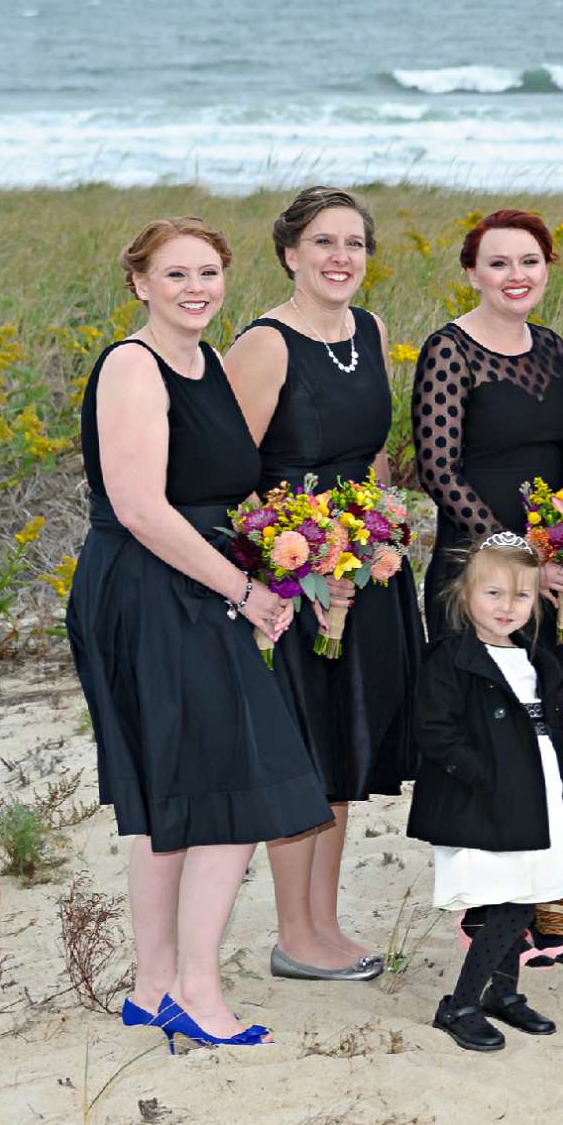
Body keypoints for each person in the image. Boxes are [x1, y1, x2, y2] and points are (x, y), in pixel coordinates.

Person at [66, 217, 329, 1050]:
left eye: (209, 272)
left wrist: (287, 561)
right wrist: (246, 589)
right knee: (234, 788)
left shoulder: (209, 362)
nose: (195, 287)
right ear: (139, 282)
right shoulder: (131, 367)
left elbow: (219, 488)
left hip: (203, 584)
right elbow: (142, 508)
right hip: (150, 590)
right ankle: (197, 987)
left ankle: (153, 987)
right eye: (175, 273)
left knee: (177, 791)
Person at [225, 185, 418, 984]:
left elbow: (369, 455)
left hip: (359, 567)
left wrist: (380, 523)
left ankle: (325, 923)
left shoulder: (369, 330)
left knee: (343, 744)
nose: (342, 257)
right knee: (301, 747)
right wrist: (288, 565)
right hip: (290, 576)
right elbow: (227, 474)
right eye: (325, 243)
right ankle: (293, 932)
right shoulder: (265, 344)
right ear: (291, 253)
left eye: (355, 244)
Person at [408, 534, 563, 1051]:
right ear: (465, 595)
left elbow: (553, 726)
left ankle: (500, 994)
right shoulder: (451, 658)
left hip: (538, 794)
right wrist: (483, 776)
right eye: (494, 594)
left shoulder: (535, 659)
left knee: (526, 895)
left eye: (522, 597)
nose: (507, 608)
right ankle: (459, 1003)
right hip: (484, 800)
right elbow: (435, 730)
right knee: (503, 903)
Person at [411, 209, 563, 646]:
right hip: (477, 564)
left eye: (530, 261)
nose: (518, 275)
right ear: (473, 275)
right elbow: (439, 473)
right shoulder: (449, 350)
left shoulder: (552, 346)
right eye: (498, 264)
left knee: (549, 696)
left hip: (553, 563)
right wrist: (520, 559)